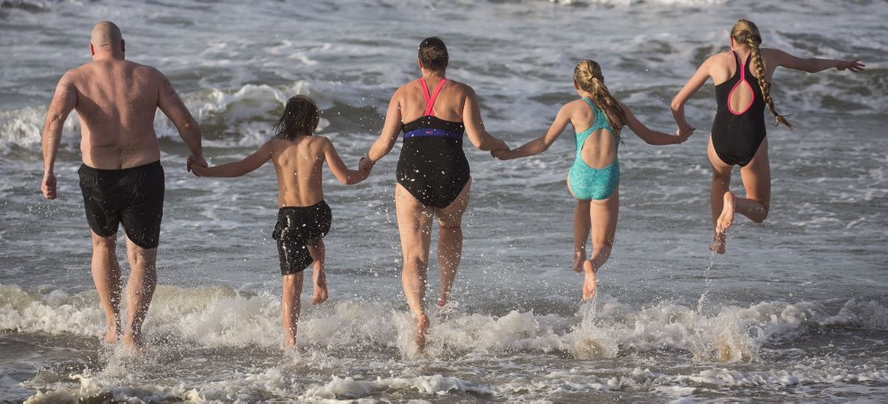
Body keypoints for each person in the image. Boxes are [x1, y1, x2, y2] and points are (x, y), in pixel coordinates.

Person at [41, 21, 205, 349]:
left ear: (91, 49)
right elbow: (185, 120)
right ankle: (134, 331)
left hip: (98, 176)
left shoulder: (74, 79)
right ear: (123, 45)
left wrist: (48, 170)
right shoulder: (150, 76)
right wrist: (197, 155)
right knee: (142, 258)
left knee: (103, 246)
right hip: (143, 173)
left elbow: (54, 121)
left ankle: (114, 325)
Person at [492, 60, 692, 300]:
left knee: (582, 200)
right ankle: (592, 264)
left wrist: (509, 154)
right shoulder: (619, 108)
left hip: (578, 178)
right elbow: (650, 137)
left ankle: (578, 252)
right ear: (602, 80)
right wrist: (678, 139)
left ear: (575, 83)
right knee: (604, 244)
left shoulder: (572, 108)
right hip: (606, 181)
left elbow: (543, 143)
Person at [189, 95, 370, 349]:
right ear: (313, 120)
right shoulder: (321, 143)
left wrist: (205, 171)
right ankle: (318, 266)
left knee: (291, 284)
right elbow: (345, 179)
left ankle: (290, 341)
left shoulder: (275, 146)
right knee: (314, 234)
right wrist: (365, 170)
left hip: (289, 217)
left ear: (288, 118)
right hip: (318, 213)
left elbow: (241, 167)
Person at [670, 19, 865, 253]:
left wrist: (682, 129)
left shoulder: (715, 62)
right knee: (760, 210)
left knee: (719, 180)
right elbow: (810, 65)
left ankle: (719, 238)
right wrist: (839, 63)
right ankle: (735, 203)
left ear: (731, 40)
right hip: (751, 139)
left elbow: (676, 103)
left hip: (720, 138)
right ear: (757, 40)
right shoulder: (770, 57)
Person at [362, 37, 508, 350]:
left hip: (412, 176)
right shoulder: (463, 92)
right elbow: (480, 141)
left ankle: (419, 314)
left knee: (414, 255)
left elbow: (385, 144)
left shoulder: (403, 93)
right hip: (452, 175)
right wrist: (500, 145)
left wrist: (367, 161)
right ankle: (444, 295)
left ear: (419, 63)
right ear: (446, 62)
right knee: (450, 227)